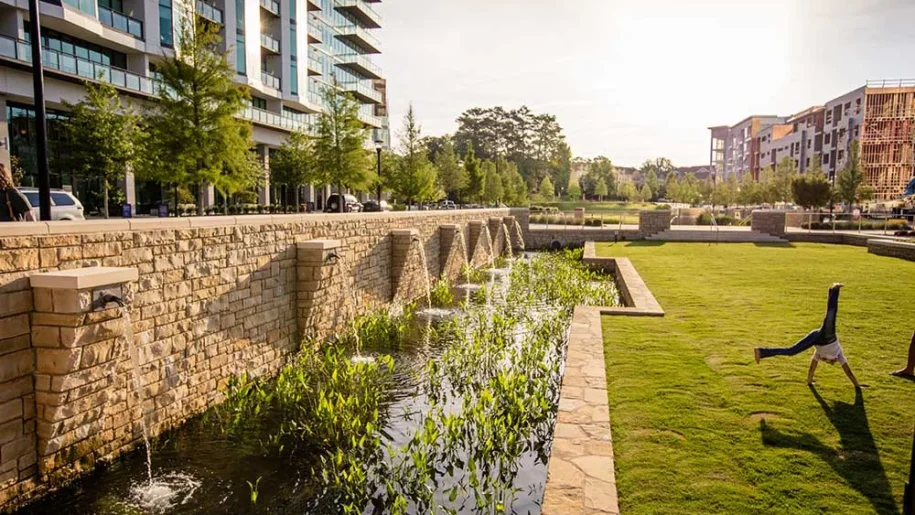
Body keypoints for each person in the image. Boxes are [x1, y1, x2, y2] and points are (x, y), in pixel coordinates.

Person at [754, 283, 865, 388]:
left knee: (791, 351)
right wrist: (857, 385)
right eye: (833, 362)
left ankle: (761, 352)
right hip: (828, 336)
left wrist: (809, 381)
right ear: (835, 359)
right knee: (831, 316)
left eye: (828, 362)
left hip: (816, 338)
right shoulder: (839, 355)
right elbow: (848, 371)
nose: (831, 362)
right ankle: (834, 289)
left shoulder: (819, 355)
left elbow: (813, 366)